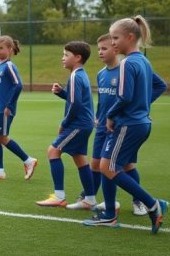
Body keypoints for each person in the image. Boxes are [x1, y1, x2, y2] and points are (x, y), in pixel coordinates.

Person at [83, 16, 168, 233]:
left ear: (130, 37)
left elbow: (124, 97)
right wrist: (143, 104)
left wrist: (110, 116)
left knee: (108, 166)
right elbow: (159, 86)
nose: (112, 43)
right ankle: (111, 213)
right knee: (113, 165)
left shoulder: (128, 63)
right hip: (139, 123)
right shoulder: (143, 61)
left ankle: (151, 203)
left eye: (115, 38)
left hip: (128, 124)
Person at [77, 34, 146, 215]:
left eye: (104, 48)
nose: (100, 52)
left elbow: (132, 96)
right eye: (98, 49)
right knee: (97, 164)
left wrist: (143, 107)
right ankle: (105, 201)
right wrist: (98, 117)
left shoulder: (125, 69)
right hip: (102, 126)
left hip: (121, 126)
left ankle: (139, 201)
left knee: (127, 166)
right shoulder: (101, 74)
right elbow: (102, 100)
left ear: (116, 49)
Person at [36, 41, 97, 209]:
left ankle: (59, 196)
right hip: (85, 124)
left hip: (78, 124)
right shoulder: (80, 74)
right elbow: (78, 100)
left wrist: (64, 123)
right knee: (79, 158)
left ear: (77, 57)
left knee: (53, 151)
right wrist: (62, 93)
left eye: (66, 55)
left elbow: (76, 105)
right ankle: (90, 199)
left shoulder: (76, 76)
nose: (62, 58)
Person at [0, 36, 38, 180]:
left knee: (2, 138)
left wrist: (9, 105)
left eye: (1, 48)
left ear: (10, 49)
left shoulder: (9, 66)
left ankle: (28, 160)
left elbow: (18, 85)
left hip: (4, 110)